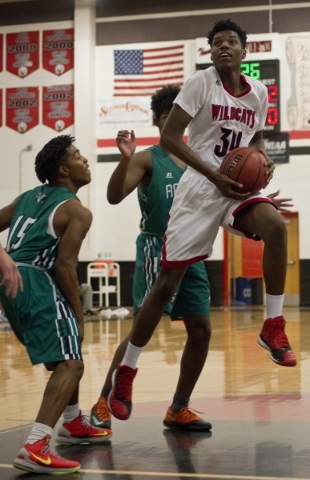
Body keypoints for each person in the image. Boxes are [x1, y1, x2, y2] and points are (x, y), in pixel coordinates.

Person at [106, 18, 297, 424]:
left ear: (245, 51)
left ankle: (273, 325)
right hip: (200, 188)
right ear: (211, 52)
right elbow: (170, 137)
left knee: (277, 227)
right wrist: (213, 176)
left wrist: (262, 165)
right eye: (217, 43)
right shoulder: (201, 83)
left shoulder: (259, 92)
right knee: (166, 283)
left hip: (235, 185)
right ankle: (128, 371)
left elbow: (256, 140)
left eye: (231, 41)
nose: (223, 46)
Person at [90, 85, 212, 432]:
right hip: (156, 249)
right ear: (160, 119)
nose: (176, 118)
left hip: (193, 249)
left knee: (201, 330)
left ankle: (178, 408)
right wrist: (125, 158)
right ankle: (103, 400)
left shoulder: (198, 157)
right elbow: (114, 197)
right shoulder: (147, 158)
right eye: (170, 113)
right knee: (142, 326)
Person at [0, 135, 112, 475]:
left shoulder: (26, 198)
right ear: (64, 170)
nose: (85, 160)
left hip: (10, 285)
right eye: (78, 156)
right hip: (37, 281)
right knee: (71, 365)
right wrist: (78, 314)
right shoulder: (77, 210)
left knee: (65, 356)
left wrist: (4, 257)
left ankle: (74, 421)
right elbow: (65, 266)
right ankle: (35, 445)